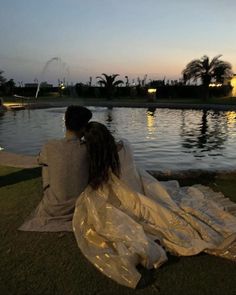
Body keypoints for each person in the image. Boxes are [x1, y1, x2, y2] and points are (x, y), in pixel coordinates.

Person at [72, 122, 236, 289]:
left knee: (94, 209)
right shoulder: (125, 145)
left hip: (128, 197)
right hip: (139, 187)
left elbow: (108, 183)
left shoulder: (103, 161)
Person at [18, 105, 92, 232]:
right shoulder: (88, 148)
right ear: (84, 127)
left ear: (66, 122)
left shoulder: (50, 146)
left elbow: (40, 160)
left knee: (46, 165)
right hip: (80, 203)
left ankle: (57, 195)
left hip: (53, 206)